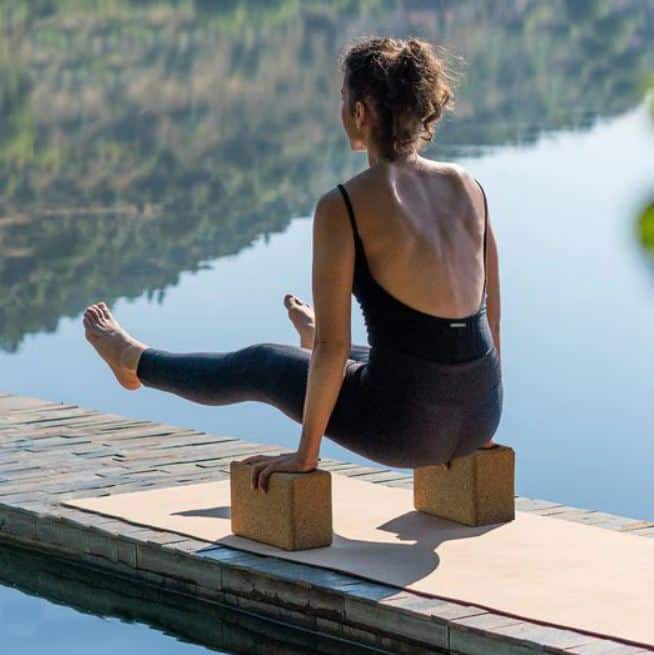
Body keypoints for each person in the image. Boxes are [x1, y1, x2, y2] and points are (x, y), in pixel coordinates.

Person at [83, 36, 503, 494]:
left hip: (407, 431)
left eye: (343, 100)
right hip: (482, 414)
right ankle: (308, 343)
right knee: (371, 353)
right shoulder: (468, 186)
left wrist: (306, 456)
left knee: (262, 363)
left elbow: (333, 346)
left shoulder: (345, 204)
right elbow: (490, 319)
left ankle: (133, 362)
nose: (341, 110)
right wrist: (482, 419)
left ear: (360, 111)